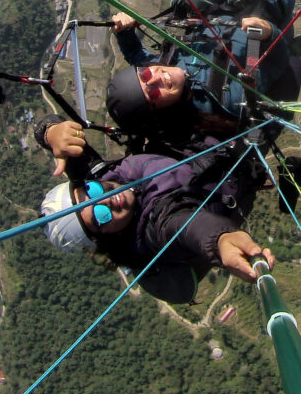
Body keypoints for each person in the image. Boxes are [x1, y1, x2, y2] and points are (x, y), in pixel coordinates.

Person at [105, 0, 301, 146]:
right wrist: (269, 31)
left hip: (209, 14)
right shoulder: (225, 100)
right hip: (254, 14)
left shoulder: (167, 69)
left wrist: (124, 31)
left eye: (145, 75)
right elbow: (276, 64)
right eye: (153, 94)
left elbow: (136, 57)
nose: (157, 77)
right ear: (159, 111)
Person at [37, 118, 273, 303]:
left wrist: (51, 131)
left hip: (201, 140)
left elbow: (60, 140)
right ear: (107, 238)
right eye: (101, 217)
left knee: (127, 93)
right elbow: (185, 226)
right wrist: (221, 239)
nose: (105, 201)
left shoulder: (100, 180)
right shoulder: (152, 230)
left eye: (92, 191)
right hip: (234, 164)